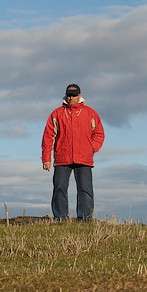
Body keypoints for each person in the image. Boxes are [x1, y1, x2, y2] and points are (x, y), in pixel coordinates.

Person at [41, 84, 105, 221]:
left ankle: (85, 220)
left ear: (79, 96)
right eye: (69, 95)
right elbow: (48, 137)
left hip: (84, 158)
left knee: (85, 190)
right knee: (59, 189)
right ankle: (60, 219)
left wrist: (91, 148)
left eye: (74, 95)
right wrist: (46, 158)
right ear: (66, 96)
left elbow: (99, 133)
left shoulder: (90, 113)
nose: (71, 98)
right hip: (62, 158)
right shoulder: (57, 113)